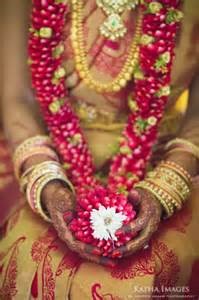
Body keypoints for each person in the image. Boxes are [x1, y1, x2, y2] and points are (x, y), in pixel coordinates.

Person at [0, 0, 199, 298]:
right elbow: (17, 97)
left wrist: (167, 185)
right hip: (49, 146)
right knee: (30, 253)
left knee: (157, 267)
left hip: (171, 152)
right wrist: (47, 183)